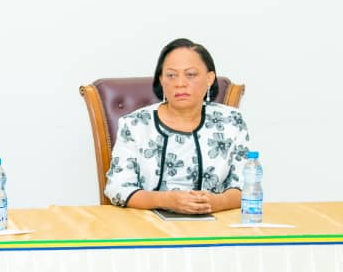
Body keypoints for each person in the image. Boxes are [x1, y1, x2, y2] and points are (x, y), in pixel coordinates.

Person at [105, 38, 252, 214]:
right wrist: (166, 200)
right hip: (146, 227)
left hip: (214, 226)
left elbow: (247, 185)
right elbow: (117, 188)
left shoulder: (231, 121)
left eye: (190, 74)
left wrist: (216, 203)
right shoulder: (135, 124)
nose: (180, 83)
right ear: (161, 80)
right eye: (171, 75)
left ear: (210, 78)